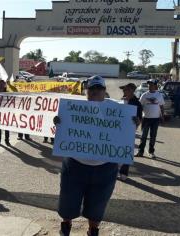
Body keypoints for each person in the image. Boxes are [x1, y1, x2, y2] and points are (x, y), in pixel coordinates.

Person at [55, 76, 124, 236]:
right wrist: (58, 122)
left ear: (104, 91)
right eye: (91, 89)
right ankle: (66, 226)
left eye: (98, 89)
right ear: (86, 91)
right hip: (75, 164)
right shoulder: (74, 108)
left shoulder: (116, 110)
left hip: (105, 167)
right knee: (68, 199)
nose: (94, 92)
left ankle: (93, 229)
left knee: (98, 202)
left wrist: (134, 121)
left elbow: (127, 129)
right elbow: (61, 129)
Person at [118, 83, 142, 181]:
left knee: (126, 151)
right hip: (118, 130)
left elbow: (139, 120)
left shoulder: (137, 104)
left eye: (126, 90)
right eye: (123, 90)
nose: (124, 91)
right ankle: (116, 171)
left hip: (128, 131)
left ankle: (124, 174)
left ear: (132, 90)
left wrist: (136, 122)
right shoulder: (121, 100)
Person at [136, 79, 165, 159]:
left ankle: (151, 152)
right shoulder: (144, 95)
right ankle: (140, 151)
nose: (149, 86)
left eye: (151, 84)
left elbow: (161, 106)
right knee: (143, 136)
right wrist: (139, 116)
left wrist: (162, 116)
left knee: (153, 136)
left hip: (155, 119)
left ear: (155, 86)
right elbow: (140, 106)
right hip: (146, 119)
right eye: (149, 84)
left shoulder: (159, 95)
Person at [0, 80, 10, 146]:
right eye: (0, 84)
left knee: (7, 127)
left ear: (4, 85)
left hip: (6, 112)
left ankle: (7, 140)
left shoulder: (8, 93)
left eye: (2, 84)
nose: (1, 85)